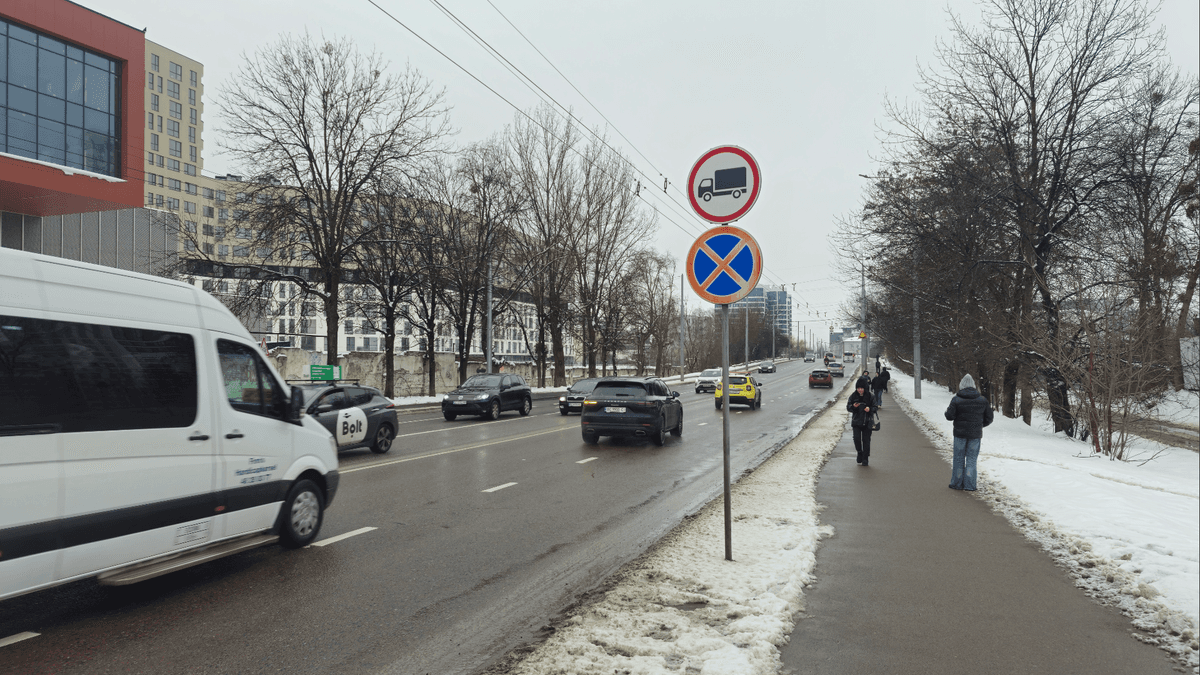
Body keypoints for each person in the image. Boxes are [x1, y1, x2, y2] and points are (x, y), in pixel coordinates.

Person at [944, 374, 994, 491]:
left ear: (961, 386)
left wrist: (949, 411)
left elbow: (949, 416)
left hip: (959, 434)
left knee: (958, 458)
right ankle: (970, 485)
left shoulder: (956, 399)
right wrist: (979, 426)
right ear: (974, 386)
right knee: (971, 459)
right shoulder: (982, 400)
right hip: (975, 435)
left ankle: (956, 483)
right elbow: (989, 418)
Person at [847, 376, 876, 466]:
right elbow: (848, 407)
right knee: (856, 439)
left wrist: (870, 409)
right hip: (856, 421)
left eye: (862, 388)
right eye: (858, 388)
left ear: (865, 388)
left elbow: (875, 407)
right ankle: (859, 452)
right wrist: (853, 407)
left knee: (866, 440)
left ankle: (865, 458)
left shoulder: (871, 396)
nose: (860, 390)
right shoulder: (853, 396)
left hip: (867, 422)